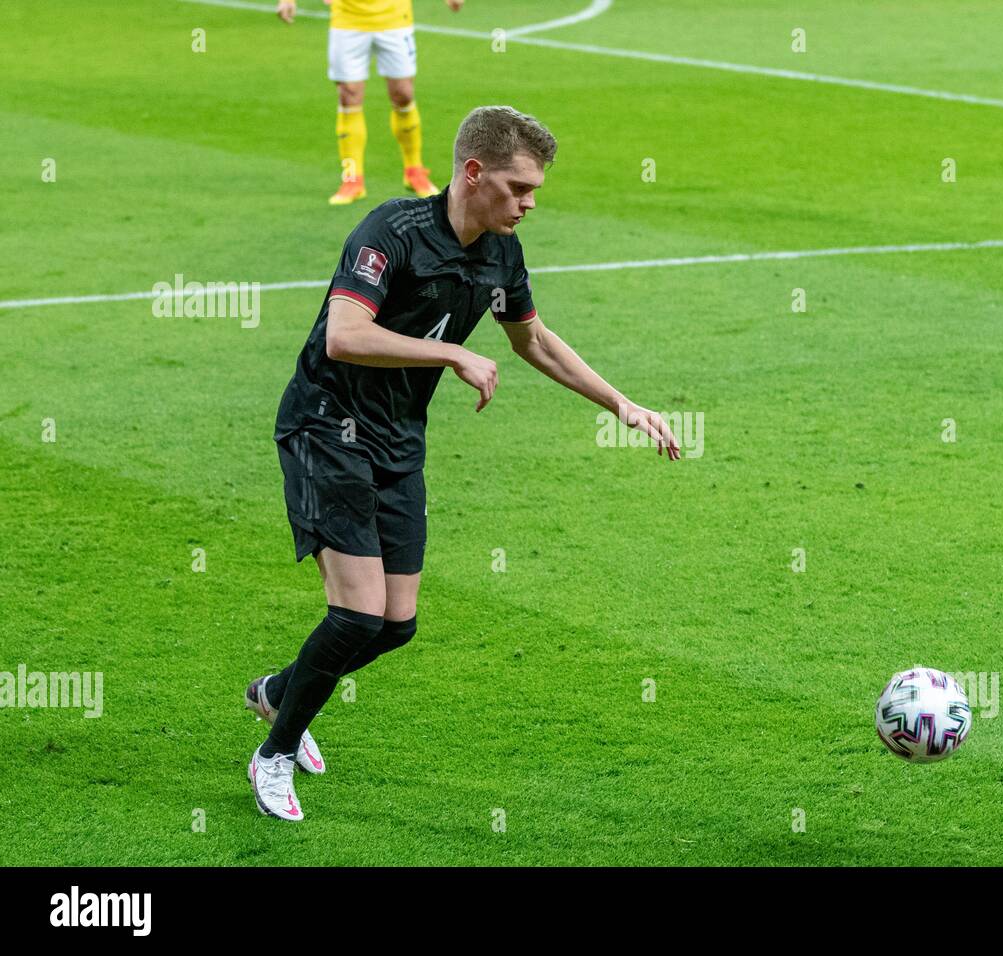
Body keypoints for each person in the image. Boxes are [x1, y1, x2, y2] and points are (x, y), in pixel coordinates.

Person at [247, 105, 682, 820]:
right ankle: (275, 753)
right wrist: (449, 350)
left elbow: (533, 342)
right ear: (474, 173)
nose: (529, 203)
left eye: (535, 189)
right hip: (327, 427)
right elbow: (346, 336)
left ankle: (277, 693)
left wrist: (621, 405)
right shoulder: (391, 232)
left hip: (396, 438)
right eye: (518, 187)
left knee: (395, 624)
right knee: (356, 617)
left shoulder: (500, 253)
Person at [276, 0, 465, 204]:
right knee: (348, 95)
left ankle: (414, 171)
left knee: (403, 93)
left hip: (395, 17)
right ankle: (352, 179)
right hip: (347, 20)